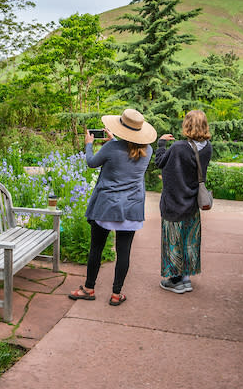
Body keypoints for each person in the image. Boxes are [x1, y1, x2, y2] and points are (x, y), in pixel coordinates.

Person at [68, 107, 157, 306]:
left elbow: (92, 162)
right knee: (123, 252)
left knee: (96, 249)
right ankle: (116, 294)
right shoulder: (148, 150)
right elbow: (127, 156)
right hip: (132, 208)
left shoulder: (112, 148)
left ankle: (89, 289)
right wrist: (114, 142)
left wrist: (89, 144)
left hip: (107, 207)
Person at [153, 110, 213, 294]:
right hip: (192, 202)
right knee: (189, 240)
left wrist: (161, 143)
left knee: (173, 240)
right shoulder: (208, 147)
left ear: (187, 125)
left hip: (174, 202)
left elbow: (160, 162)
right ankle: (186, 278)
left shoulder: (179, 147)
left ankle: (175, 280)